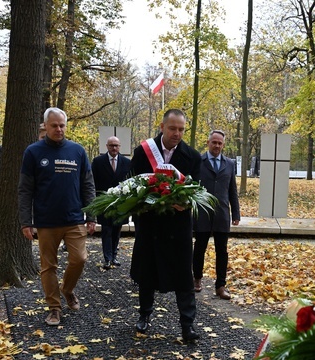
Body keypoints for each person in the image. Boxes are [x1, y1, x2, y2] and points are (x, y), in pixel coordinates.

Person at [18, 107, 96, 326]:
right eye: (54, 125)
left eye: (62, 125)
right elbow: (25, 189)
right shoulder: (33, 152)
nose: (59, 129)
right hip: (46, 221)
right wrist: (26, 221)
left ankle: (67, 290)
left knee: (79, 259)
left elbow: (88, 185)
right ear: (45, 125)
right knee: (48, 266)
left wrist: (92, 215)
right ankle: (54, 308)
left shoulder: (77, 151)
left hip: (74, 219)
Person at [130, 109, 202, 342]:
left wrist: (185, 203)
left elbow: (197, 192)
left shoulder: (193, 156)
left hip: (178, 228)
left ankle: (187, 325)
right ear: (162, 127)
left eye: (181, 129)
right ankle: (144, 315)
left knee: (183, 276)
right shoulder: (143, 152)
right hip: (150, 225)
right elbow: (133, 185)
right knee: (147, 273)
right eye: (172, 128)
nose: (177, 133)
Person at [193, 129, 240, 300]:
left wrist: (236, 213)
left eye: (220, 143)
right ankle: (196, 279)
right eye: (214, 142)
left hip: (221, 214)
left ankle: (221, 285)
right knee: (199, 248)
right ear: (208, 142)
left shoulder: (229, 164)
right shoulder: (199, 161)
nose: (217, 146)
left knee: (222, 251)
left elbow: (232, 190)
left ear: (223, 145)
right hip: (203, 212)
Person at [92, 136, 131, 269]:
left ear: (120, 147)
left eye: (116, 145)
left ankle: (114, 256)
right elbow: (93, 182)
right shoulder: (98, 162)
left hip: (121, 203)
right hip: (104, 202)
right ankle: (107, 258)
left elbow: (131, 181)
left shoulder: (127, 162)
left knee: (117, 230)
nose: (114, 148)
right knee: (106, 230)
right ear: (107, 146)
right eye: (111, 145)